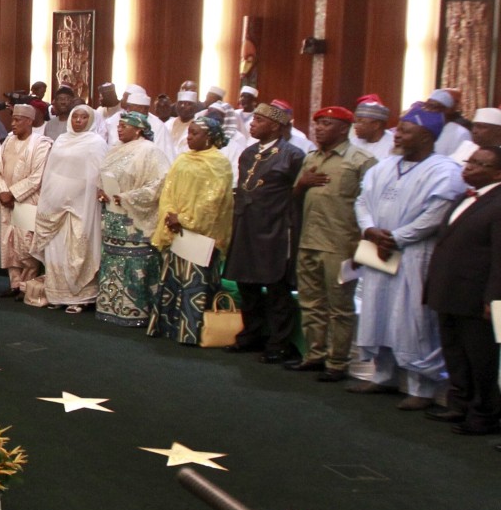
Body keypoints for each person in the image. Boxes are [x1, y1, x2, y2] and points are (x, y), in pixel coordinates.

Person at [350, 106, 464, 409]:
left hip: (415, 254)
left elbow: (435, 215)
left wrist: (397, 237)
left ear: (426, 136)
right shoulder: (385, 166)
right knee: (377, 311)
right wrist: (370, 229)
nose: (397, 134)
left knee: (411, 319)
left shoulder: (444, 170)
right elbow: (362, 200)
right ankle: (384, 375)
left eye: (405, 130)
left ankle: (421, 388)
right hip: (378, 248)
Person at [423, 145, 501, 436]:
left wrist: (493, 298)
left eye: (480, 164)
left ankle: (484, 415)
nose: (469, 168)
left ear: (497, 173)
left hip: (477, 296)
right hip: (450, 291)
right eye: (470, 162)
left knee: (480, 358)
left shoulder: (498, 202)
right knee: (455, 352)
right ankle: (461, 403)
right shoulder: (463, 197)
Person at [296, 105, 377, 382]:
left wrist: (363, 249)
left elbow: (372, 207)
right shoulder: (311, 159)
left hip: (342, 244)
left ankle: (338, 361)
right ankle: (314, 355)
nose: (319, 128)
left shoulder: (361, 161)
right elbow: (295, 195)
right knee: (310, 301)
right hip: (309, 240)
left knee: (340, 307)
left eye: (327, 124)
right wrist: (302, 183)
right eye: (317, 123)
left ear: (345, 128)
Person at [225, 100, 306, 366]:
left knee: (276, 288)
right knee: (246, 284)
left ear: (274, 126)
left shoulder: (292, 155)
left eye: (258, 121)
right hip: (247, 225)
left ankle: (278, 343)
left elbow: (297, 195)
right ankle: (251, 334)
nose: (252, 124)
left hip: (275, 229)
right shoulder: (248, 153)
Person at [147, 114, 235, 345]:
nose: (189, 137)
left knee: (196, 284)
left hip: (201, 236)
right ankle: (169, 327)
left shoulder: (219, 163)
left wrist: (185, 219)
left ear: (210, 137)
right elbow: (169, 190)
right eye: (189, 132)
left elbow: (213, 201)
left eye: (195, 133)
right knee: (173, 280)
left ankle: (192, 331)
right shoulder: (183, 159)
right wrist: (170, 216)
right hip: (177, 231)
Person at [96, 111, 171, 327]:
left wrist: (129, 197)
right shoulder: (115, 150)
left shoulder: (150, 151)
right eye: (118, 125)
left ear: (138, 129)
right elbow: (104, 177)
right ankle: (110, 307)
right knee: (113, 260)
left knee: (134, 262)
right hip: (112, 215)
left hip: (135, 218)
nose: (119, 129)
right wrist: (101, 191)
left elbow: (159, 183)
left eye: (124, 126)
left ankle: (135, 311)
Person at [29, 104, 106, 312]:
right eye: (75, 117)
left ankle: (79, 298)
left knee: (77, 248)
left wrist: (77, 193)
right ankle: (57, 295)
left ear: (90, 121)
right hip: (56, 204)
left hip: (82, 205)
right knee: (57, 249)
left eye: (83, 118)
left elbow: (99, 176)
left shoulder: (96, 143)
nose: (78, 121)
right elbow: (50, 172)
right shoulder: (61, 140)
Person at [0, 104, 49, 300]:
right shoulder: (8, 140)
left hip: (27, 201)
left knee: (26, 245)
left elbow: (37, 177)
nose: (13, 123)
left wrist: (14, 194)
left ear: (29, 121)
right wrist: (3, 191)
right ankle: (14, 284)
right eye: (13, 119)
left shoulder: (41, 144)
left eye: (18, 120)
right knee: (7, 244)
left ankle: (27, 285)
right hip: (5, 200)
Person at [424, 88, 472, 158]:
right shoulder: (422, 128)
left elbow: (460, 162)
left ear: (447, 110)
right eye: (426, 106)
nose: (428, 110)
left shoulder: (461, 133)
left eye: (433, 107)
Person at [351, 97, 395, 161]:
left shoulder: (393, 145)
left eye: (360, 122)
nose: (355, 126)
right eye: (356, 122)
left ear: (376, 125)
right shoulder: (354, 142)